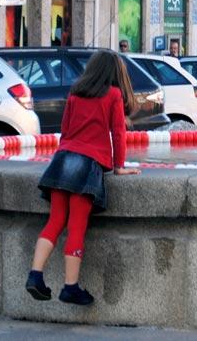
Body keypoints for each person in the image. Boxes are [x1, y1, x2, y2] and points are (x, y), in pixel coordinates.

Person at [25, 50, 141, 306]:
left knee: (55, 220)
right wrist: (119, 166)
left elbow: (65, 129)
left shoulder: (76, 92)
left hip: (63, 159)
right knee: (76, 225)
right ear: (114, 73)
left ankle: (35, 275)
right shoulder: (113, 95)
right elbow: (118, 134)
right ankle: (70, 287)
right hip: (87, 163)